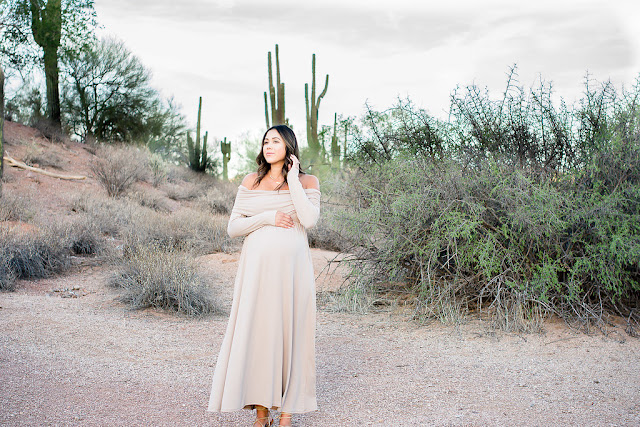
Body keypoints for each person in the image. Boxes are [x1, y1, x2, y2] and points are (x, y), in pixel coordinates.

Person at [208, 124, 321, 427]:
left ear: (289, 146)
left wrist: (293, 179)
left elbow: (308, 219)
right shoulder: (251, 180)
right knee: (258, 336)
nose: (269, 146)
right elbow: (233, 228)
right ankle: (262, 413)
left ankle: (286, 413)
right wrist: (267, 217)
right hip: (256, 275)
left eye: (276, 141)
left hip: (292, 274)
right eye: (266, 141)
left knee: (291, 335)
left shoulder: (307, 180)